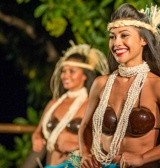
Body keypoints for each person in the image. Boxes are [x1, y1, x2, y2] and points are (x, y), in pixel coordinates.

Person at [70, 3, 160, 168]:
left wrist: (143, 158)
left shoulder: (158, 86)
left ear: (143, 39)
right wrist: (86, 153)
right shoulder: (101, 83)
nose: (116, 43)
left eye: (124, 35)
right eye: (112, 36)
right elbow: (86, 126)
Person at [31, 40, 109, 168]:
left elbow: (105, 141)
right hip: (51, 164)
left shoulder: (92, 105)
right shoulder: (53, 104)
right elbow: (37, 131)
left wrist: (75, 146)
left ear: (85, 75)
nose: (65, 75)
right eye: (63, 71)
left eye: (72, 71)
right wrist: (37, 139)